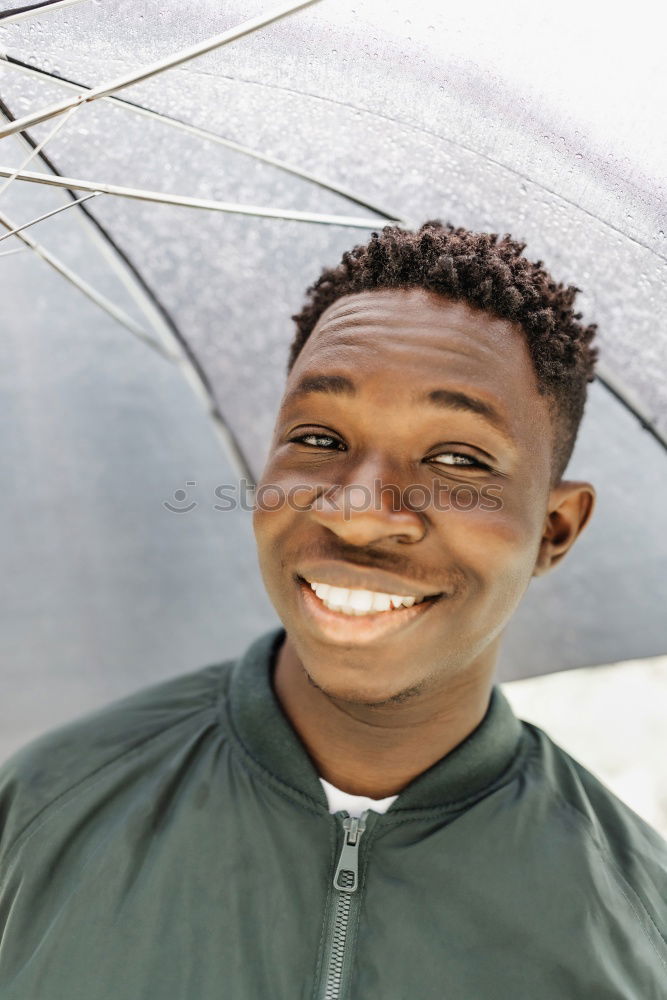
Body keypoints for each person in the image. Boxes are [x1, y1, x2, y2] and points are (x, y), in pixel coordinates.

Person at [0, 222, 665, 999]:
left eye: (456, 458)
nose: (356, 510)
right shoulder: (41, 811)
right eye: (317, 437)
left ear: (554, 529)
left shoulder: (636, 936)